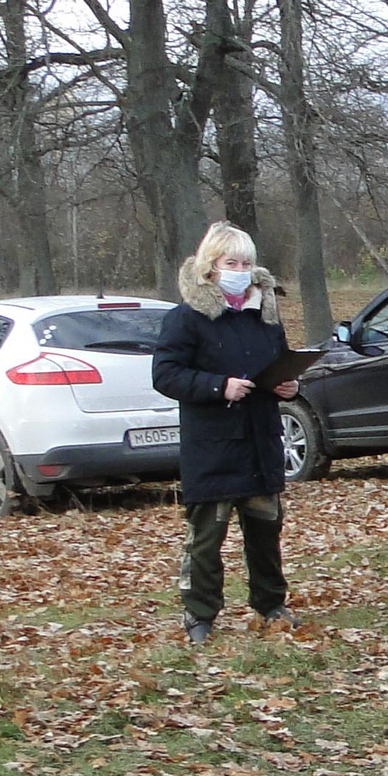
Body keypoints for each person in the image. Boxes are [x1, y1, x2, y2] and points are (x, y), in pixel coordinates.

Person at [152, 222, 301, 644]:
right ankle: (199, 615)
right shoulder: (186, 318)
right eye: (230, 262)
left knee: (266, 535)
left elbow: (281, 363)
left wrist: (288, 385)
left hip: (261, 443)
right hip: (212, 448)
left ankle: (271, 604)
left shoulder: (265, 315)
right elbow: (165, 374)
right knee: (206, 541)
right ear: (210, 267)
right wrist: (219, 387)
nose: (240, 269)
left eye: (246, 262)